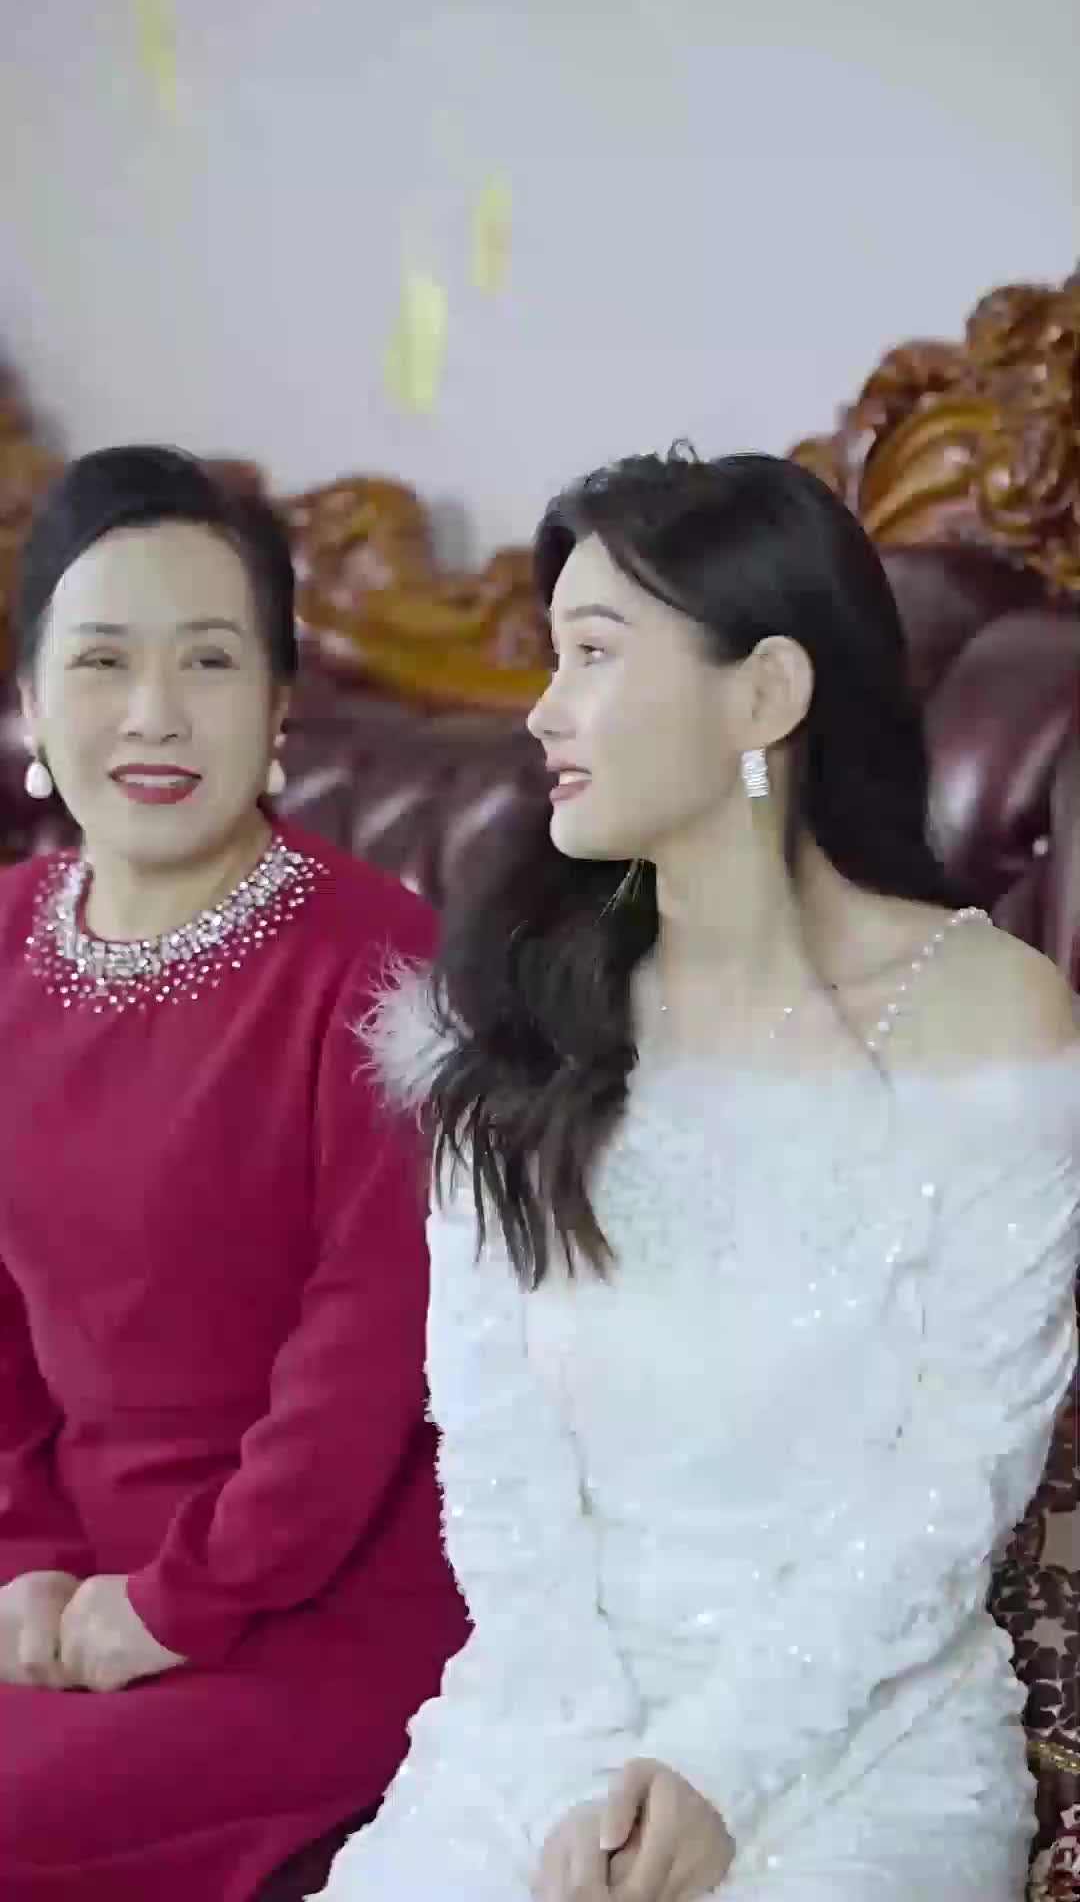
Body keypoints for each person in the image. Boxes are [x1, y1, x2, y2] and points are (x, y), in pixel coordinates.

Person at [322, 449, 1080, 1902]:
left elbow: (960, 1472)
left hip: (861, 1750)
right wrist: (585, 1768)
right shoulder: (514, 1017)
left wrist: (716, 1769)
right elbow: (493, 1455)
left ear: (765, 694)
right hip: (542, 1725)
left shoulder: (994, 1025)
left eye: (595, 654)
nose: (543, 710)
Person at [0, 446, 468, 1902]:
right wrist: (25, 1558)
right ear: (31, 699)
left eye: (208, 659)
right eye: (101, 660)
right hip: (62, 1579)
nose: (153, 712)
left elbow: (364, 1364)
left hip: (312, 1600)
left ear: (278, 706)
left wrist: (174, 1604)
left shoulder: (380, 965)